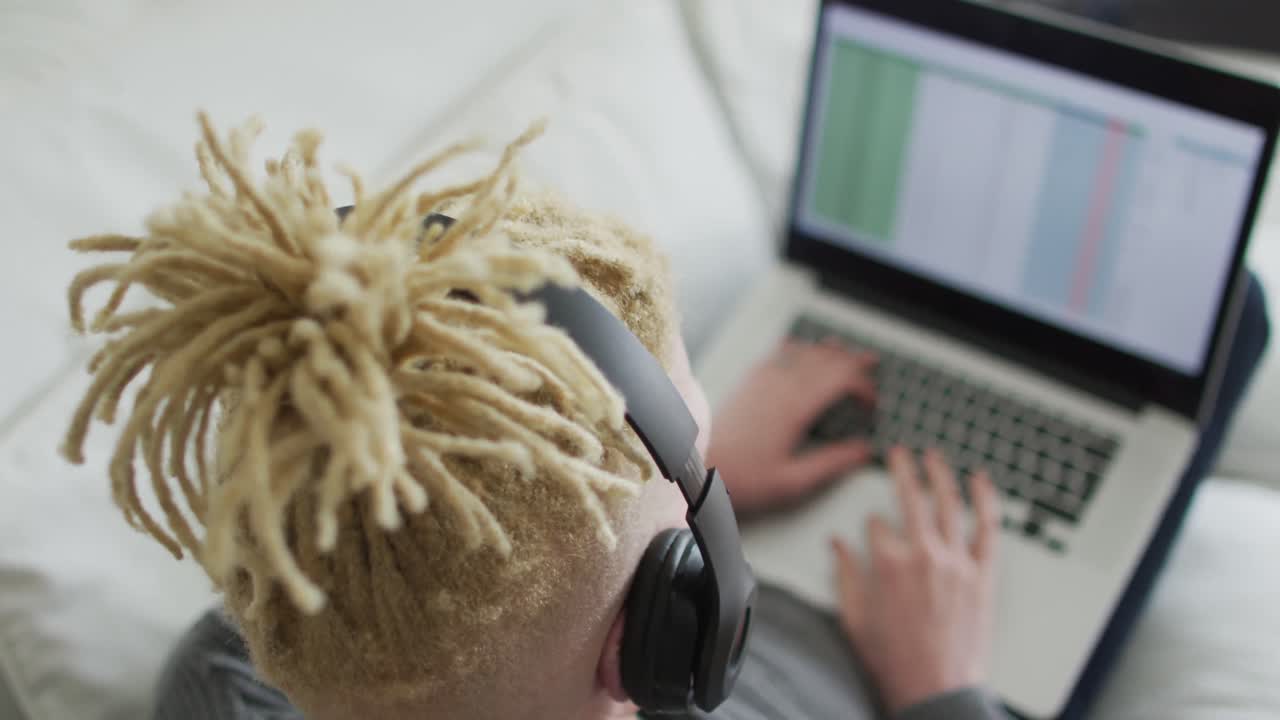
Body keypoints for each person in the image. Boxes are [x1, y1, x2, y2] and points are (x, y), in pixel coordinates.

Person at [61, 117, 1269, 720]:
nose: (713, 482)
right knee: (1238, 317)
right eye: (703, 500)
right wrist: (945, 691)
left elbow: (410, 554)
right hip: (915, 651)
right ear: (659, 645)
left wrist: (627, 495)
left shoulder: (224, 674)